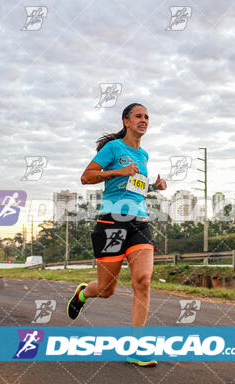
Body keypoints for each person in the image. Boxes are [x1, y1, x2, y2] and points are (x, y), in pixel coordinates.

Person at [66, 103, 167, 367]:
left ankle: (136, 348)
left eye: (147, 116)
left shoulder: (143, 155)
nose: (144, 119)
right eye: (138, 116)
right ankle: (83, 293)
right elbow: (86, 177)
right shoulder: (113, 149)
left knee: (143, 281)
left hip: (139, 223)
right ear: (126, 121)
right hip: (111, 223)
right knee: (106, 290)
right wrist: (117, 171)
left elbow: (136, 188)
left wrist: (154, 186)